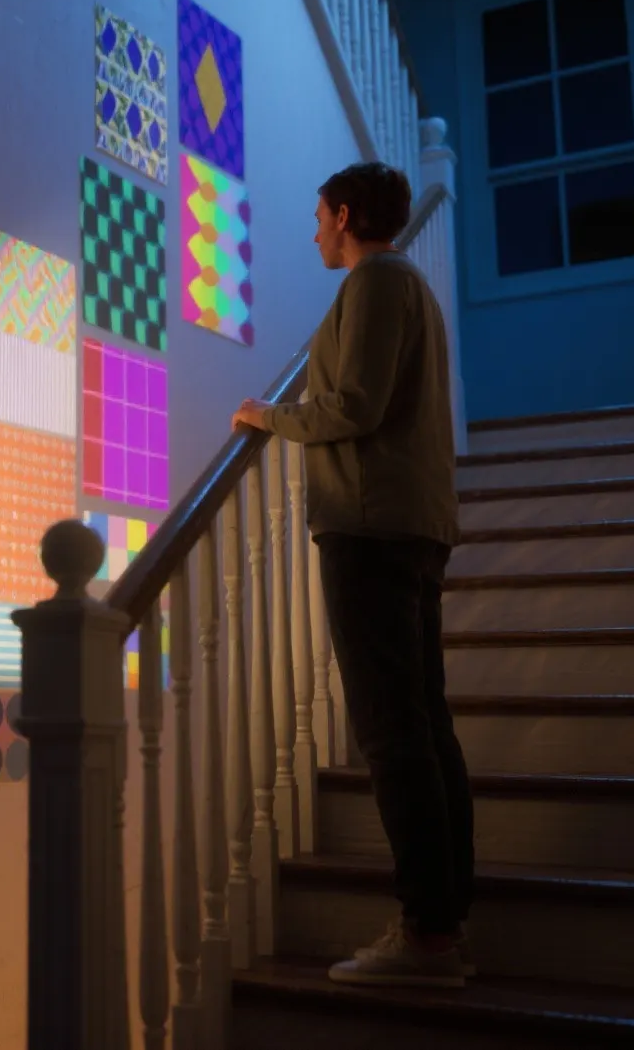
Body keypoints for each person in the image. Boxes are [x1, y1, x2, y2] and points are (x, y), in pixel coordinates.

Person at [231, 161, 473, 988]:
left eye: (317, 217)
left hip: (372, 529)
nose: (313, 232)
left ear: (342, 214)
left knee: (392, 731)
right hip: (409, 525)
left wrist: (269, 416)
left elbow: (354, 406)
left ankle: (428, 935)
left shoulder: (376, 286)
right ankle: (442, 918)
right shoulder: (412, 292)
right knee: (421, 724)